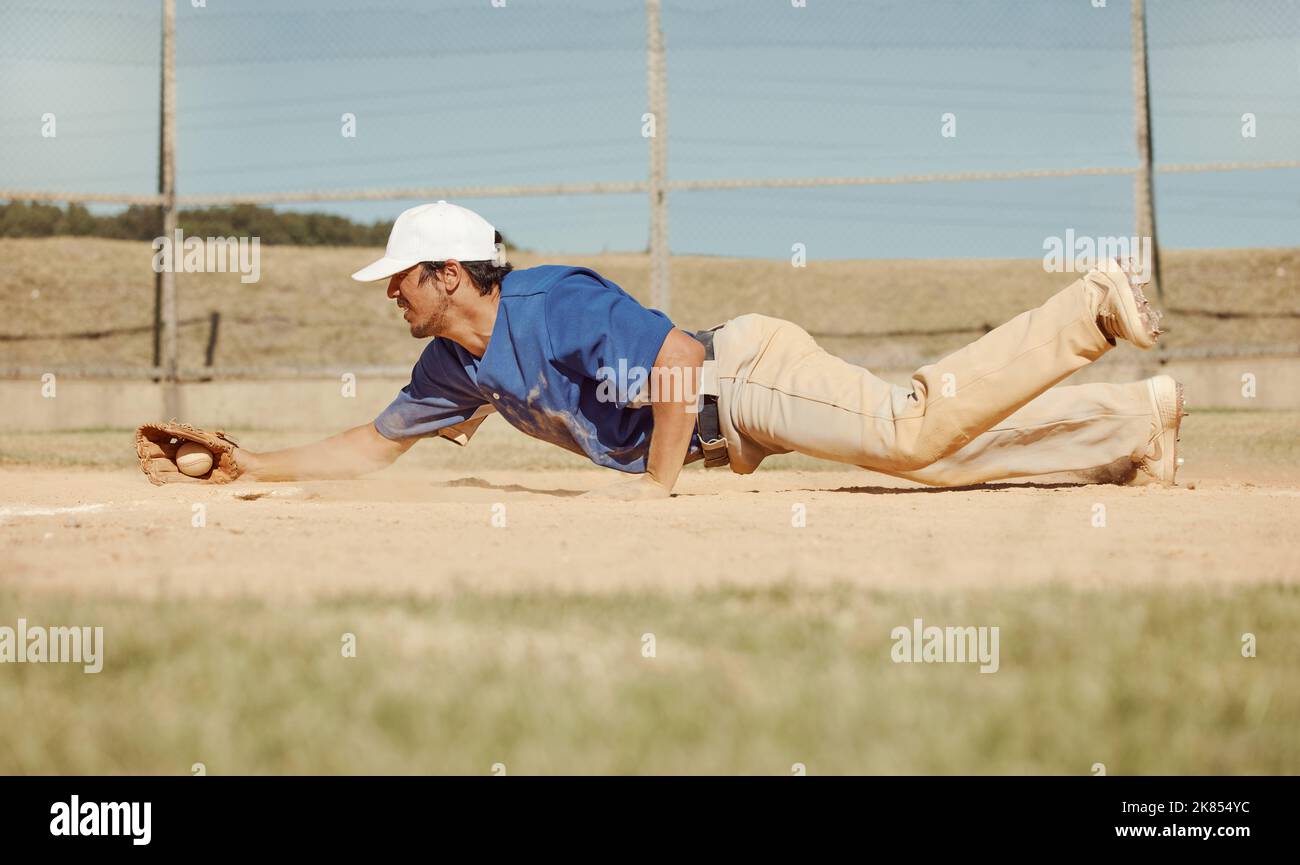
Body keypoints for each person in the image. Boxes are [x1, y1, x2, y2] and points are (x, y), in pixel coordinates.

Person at [230, 201, 1185, 499]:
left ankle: (1092, 305)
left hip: (743, 373)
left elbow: (680, 363)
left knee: (910, 431)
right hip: (725, 420)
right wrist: (244, 466)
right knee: (940, 462)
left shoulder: (548, 300)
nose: (388, 290)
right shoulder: (451, 367)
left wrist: (656, 494)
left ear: (446, 272)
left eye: (399, 274)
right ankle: (1134, 425)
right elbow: (370, 444)